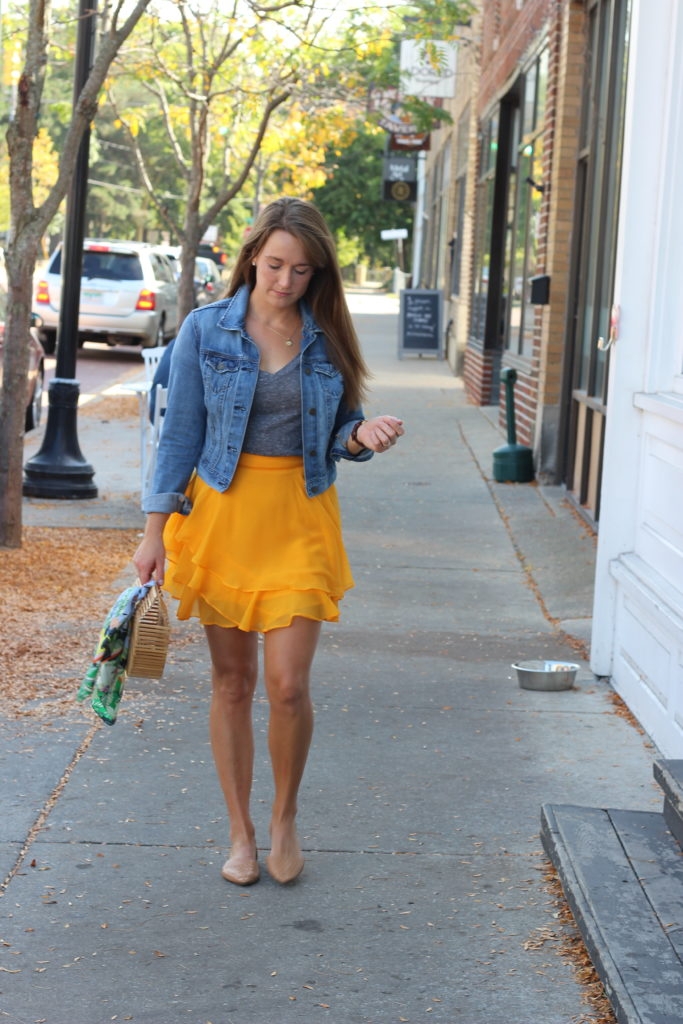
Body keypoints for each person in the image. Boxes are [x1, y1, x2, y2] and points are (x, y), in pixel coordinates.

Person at [133, 197, 404, 887]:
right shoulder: (204, 331)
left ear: (317, 275)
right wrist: (153, 533)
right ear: (252, 255)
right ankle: (240, 832)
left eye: (301, 271)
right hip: (222, 515)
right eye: (275, 264)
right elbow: (179, 436)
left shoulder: (326, 336)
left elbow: (342, 426)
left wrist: (360, 436)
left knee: (286, 686)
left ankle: (284, 818)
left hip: (299, 515)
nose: (284, 281)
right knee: (233, 683)